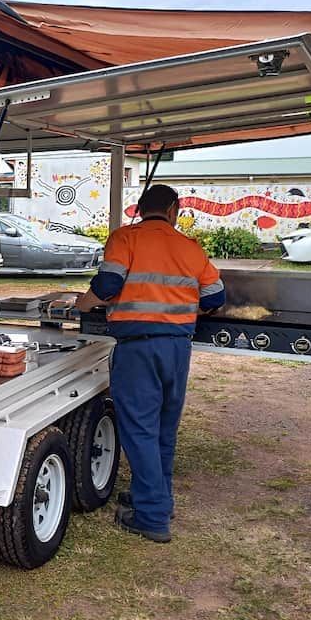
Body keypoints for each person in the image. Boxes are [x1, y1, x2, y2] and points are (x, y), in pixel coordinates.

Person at [76, 184, 225, 543]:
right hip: (177, 348)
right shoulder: (190, 248)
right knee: (162, 429)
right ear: (174, 209)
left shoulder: (125, 238)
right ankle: (158, 497)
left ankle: (153, 516)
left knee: (139, 429)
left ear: (139, 208)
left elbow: (109, 283)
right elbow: (216, 296)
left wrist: (83, 304)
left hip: (138, 348)